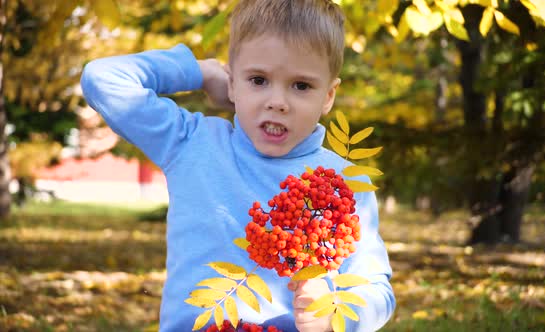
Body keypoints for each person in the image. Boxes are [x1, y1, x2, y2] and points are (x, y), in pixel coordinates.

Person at [81, 0, 395, 331]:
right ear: (232, 84)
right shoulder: (191, 143)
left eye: (301, 85)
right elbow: (102, 78)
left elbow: (377, 290)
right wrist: (200, 72)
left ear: (329, 96)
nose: (277, 101)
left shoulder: (345, 183)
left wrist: (336, 315)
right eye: (258, 80)